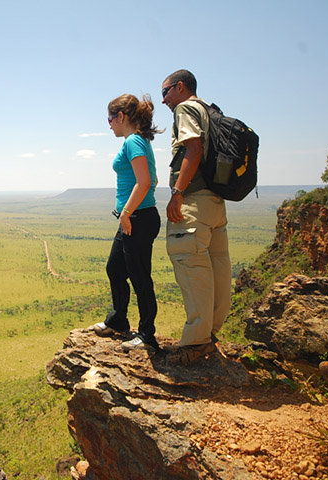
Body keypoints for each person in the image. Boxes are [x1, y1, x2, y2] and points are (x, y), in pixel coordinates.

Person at [160, 69, 231, 365]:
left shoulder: (187, 108)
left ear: (179, 87)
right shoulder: (210, 110)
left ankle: (196, 342)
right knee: (217, 270)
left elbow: (193, 148)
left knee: (192, 266)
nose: (164, 100)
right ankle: (210, 334)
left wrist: (178, 192)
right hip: (216, 204)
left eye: (165, 92)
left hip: (195, 201)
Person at [91, 94, 162, 351]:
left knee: (139, 276)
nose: (109, 124)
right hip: (135, 217)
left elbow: (145, 183)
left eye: (110, 118)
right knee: (115, 268)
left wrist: (126, 212)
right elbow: (152, 180)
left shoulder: (133, 141)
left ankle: (147, 336)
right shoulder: (137, 141)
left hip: (137, 218)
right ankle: (119, 320)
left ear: (121, 116)